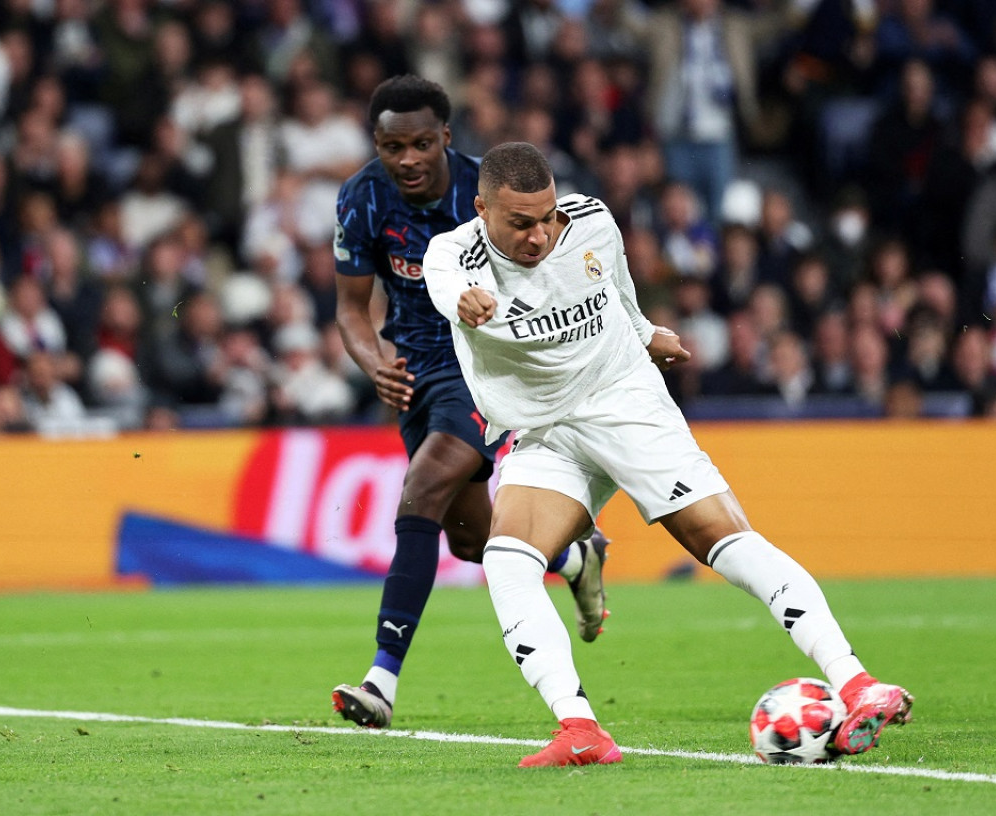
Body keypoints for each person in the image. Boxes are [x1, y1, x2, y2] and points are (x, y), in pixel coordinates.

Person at [424, 142, 914, 768]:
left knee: (725, 543)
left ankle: (856, 683)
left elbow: (620, 295)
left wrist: (646, 333)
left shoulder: (592, 220)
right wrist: (467, 300)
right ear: (482, 208)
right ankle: (581, 730)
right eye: (521, 222)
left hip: (624, 401)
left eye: (547, 216)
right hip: (547, 428)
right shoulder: (452, 258)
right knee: (508, 562)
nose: (540, 234)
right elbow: (452, 289)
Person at [330, 77, 608, 730]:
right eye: (393, 146)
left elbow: (549, 276)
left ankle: (382, 678)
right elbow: (348, 308)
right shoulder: (362, 199)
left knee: (420, 487)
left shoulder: (487, 197)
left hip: (486, 368)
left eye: (422, 143)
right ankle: (574, 556)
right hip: (415, 373)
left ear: (446, 139)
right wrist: (375, 365)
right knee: (465, 539)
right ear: (377, 144)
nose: (408, 159)